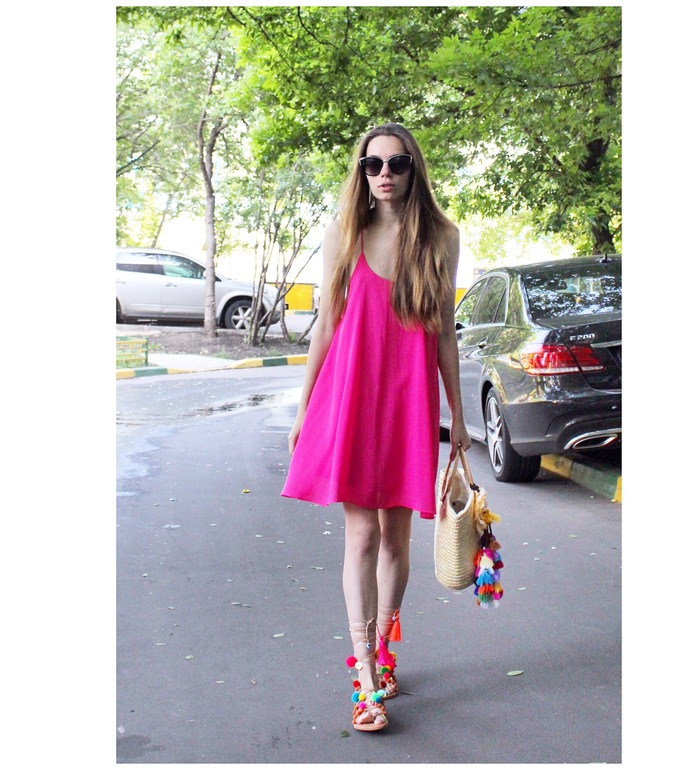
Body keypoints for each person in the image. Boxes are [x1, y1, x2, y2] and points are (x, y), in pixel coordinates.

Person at [281, 123, 470, 732]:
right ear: (361, 173)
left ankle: (386, 651)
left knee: (396, 540)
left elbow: (444, 336)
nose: (384, 174)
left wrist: (457, 416)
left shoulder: (441, 238)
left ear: (414, 169)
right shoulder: (345, 234)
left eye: (397, 163)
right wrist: (304, 410)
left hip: (409, 402)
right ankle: (365, 674)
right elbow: (325, 327)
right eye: (372, 164)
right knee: (361, 536)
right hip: (353, 399)